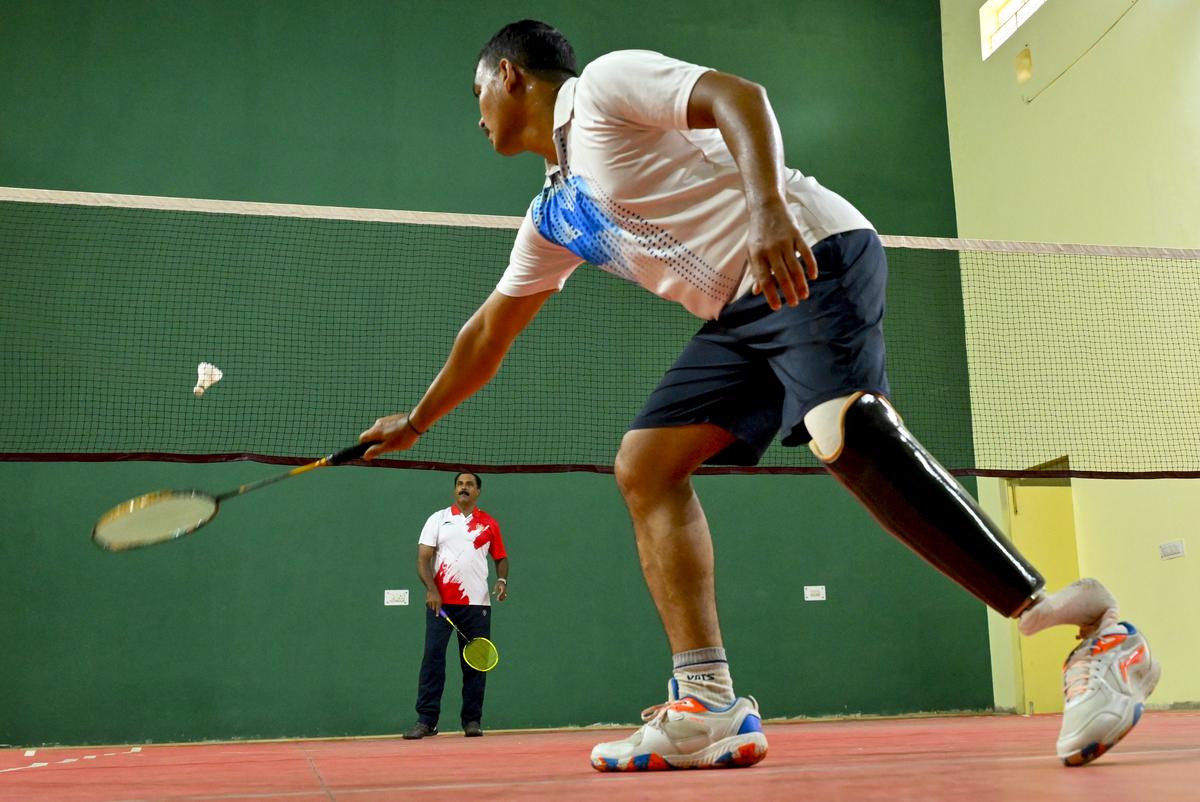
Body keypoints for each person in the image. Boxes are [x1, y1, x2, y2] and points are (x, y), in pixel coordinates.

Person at [363, 20, 1160, 770]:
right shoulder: (553, 214)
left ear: (510, 75)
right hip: (738, 311)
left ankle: (1094, 629)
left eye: (477, 97)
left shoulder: (604, 88)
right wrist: (419, 419)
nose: (477, 118)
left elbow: (739, 97)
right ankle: (707, 704)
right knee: (645, 465)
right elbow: (489, 333)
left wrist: (768, 207)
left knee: (840, 430)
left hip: (807, 250)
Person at [401, 471, 508, 740]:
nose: (464, 488)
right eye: (460, 484)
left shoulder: (489, 524)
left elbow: (501, 557)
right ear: (454, 490)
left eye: (469, 484)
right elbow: (422, 559)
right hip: (441, 605)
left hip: (477, 604)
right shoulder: (438, 520)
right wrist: (431, 590)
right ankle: (426, 721)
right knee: (433, 659)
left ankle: (472, 720)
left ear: (477, 492)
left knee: (475, 665)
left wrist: (502, 579)